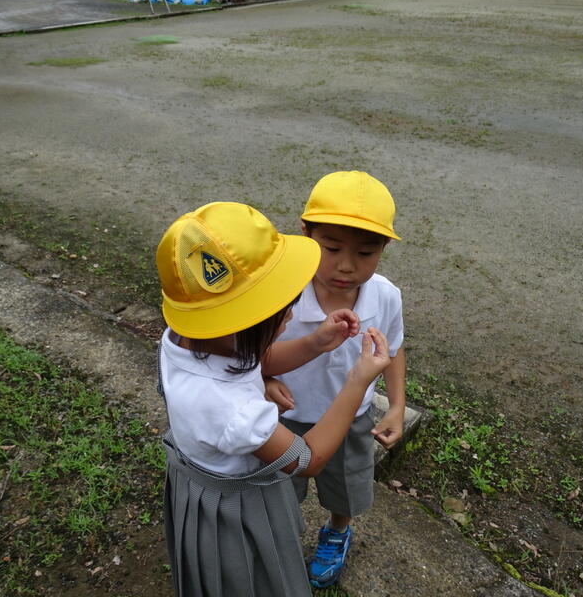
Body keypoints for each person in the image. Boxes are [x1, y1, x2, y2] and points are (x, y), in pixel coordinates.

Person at [155, 201, 391, 597]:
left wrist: (315, 342)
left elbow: (253, 358)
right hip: (232, 507)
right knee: (247, 577)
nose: (290, 316)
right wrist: (357, 382)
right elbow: (306, 460)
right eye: (283, 313)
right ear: (241, 326)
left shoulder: (189, 337)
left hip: (198, 478)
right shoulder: (235, 412)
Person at [263, 171, 405, 588]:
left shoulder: (385, 296)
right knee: (279, 491)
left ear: (383, 249)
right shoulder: (279, 292)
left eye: (365, 252)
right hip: (283, 419)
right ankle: (282, 537)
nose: (346, 265)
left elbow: (392, 350)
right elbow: (248, 351)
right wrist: (265, 377)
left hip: (353, 419)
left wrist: (396, 405)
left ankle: (337, 531)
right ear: (304, 232)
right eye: (331, 247)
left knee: (346, 487)